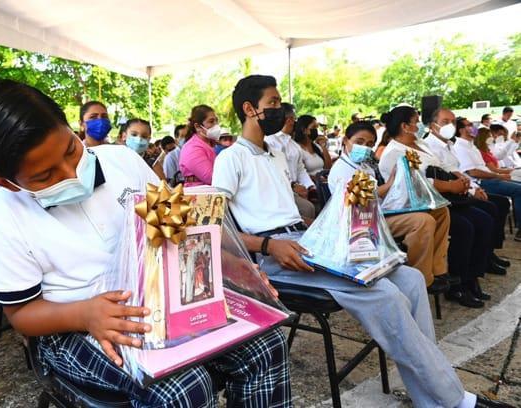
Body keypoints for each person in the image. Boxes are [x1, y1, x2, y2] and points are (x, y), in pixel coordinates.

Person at [0, 79, 291, 407]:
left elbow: (176, 230)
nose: (72, 173)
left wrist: (236, 269)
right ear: (8, 183)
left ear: (71, 129)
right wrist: (86, 314)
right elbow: (21, 313)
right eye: (46, 177)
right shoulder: (3, 216)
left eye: (71, 150)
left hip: (159, 299)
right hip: (70, 328)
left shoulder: (124, 162)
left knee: (268, 344)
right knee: (183, 390)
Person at [212, 74, 511, 408]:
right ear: (250, 109)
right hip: (276, 257)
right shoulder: (230, 159)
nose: (281, 111)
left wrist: (331, 228)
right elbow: (217, 229)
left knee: (411, 280)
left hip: (306, 241)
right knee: (384, 295)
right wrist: (269, 247)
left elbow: (288, 211)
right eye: (274, 104)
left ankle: (432, 393)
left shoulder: (275, 155)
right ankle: (453, 400)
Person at [379, 106, 498, 308]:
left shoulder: (420, 143)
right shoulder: (393, 153)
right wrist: (451, 185)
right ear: (405, 126)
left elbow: (442, 167)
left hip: (436, 200)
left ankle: (443, 272)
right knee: (463, 227)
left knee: (480, 215)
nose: (419, 126)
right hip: (409, 206)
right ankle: (442, 281)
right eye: (416, 122)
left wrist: (459, 180)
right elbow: (415, 183)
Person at [328, 121, 452, 290]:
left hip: (378, 213)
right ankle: (422, 278)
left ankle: (437, 270)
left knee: (440, 211)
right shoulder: (342, 169)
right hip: (361, 223)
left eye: (370, 144)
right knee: (423, 221)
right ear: (345, 140)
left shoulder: (365, 165)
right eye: (359, 142)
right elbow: (358, 200)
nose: (365, 147)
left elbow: (380, 196)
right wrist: (390, 184)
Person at [424, 109, 511, 276]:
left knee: (493, 208)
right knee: (473, 222)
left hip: (461, 191)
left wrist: (473, 188)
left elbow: (457, 171)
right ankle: (463, 278)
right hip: (444, 197)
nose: (450, 125)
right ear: (432, 125)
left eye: (452, 122)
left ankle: (485, 258)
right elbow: (458, 173)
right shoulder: (429, 147)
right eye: (444, 122)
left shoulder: (450, 144)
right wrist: (472, 187)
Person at [452, 116, 521, 242]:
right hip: (481, 182)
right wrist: (498, 175)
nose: (474, 128)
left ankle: (495, 242)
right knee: (518, 191)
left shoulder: (471, 146)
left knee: (508, 197)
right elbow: (474, 172)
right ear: (461, 130)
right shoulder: (460, 147)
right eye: (469, 125)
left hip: (489, 178)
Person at [265, 103, 317, 219]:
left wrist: (310, 187)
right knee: (308, 208)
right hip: (280, 190)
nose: (295, 122)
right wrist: (293, 186)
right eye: (294, 119)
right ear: (289, 120)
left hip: (295, 189)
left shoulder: (293, 145)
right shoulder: (269, 141)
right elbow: (272, 171)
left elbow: (300, 169)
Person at [179, 105, 220, 187]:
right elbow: (211, 177)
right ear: (198, 127)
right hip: (200, 194)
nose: (216, 125)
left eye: (216, 121)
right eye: (211, 121)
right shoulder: (192, 148)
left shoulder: (212, 144)